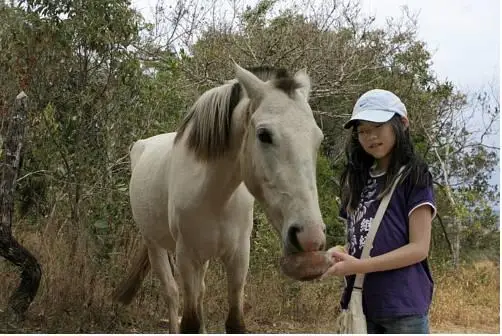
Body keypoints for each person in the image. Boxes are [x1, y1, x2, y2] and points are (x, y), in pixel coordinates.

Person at [321, 89, 436, 334]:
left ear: (402, 123)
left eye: (377, 126)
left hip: (402, 306)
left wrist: (358, 266)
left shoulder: (414, 176)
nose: (370, 137)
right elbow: (357, 239)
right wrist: (340, 252)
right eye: (362, 130)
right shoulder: (357, 180)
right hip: (361, 304)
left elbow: (419, 249)